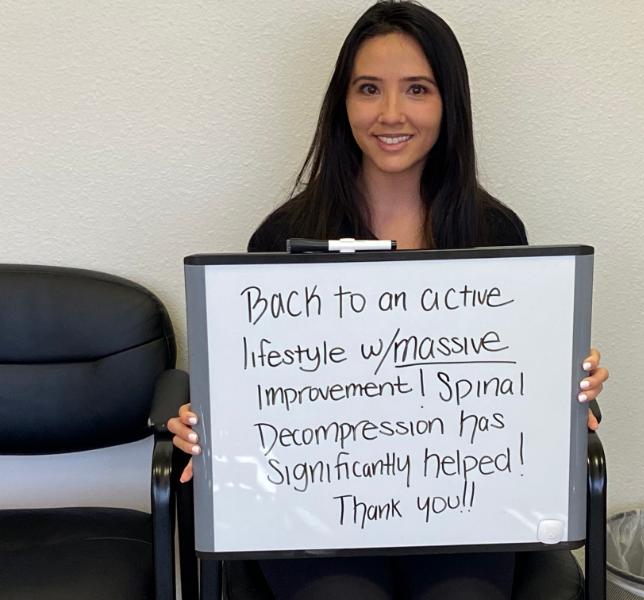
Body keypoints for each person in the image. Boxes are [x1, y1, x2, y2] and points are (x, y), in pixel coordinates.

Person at [168, 2, 608, 598]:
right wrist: (210, 423)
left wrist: (564, 392)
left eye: (418, 89)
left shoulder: (496, 233)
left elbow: (514, 388)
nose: (391, 113)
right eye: (369, 89)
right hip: (317, 505)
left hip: (462, 499)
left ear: (449, 104)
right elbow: (259, 388)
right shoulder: (281, 237)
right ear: (342, 104)